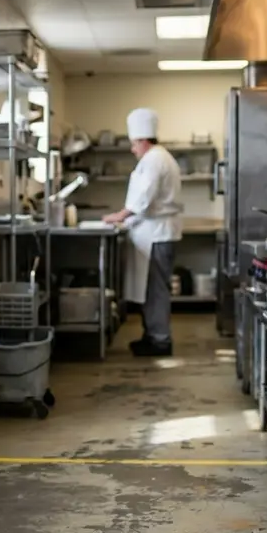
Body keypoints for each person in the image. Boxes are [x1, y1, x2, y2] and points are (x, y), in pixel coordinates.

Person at [102, 108, 183, 357]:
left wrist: (120, 215)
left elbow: (144, 198)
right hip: (154, 233)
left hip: (158, 235)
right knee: (151, 290)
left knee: (156, 290)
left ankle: (160, 340)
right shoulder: (156, 158)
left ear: (143, 140)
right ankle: (152, 335)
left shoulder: (155, 159)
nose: (132, 148)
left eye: (133, 143)